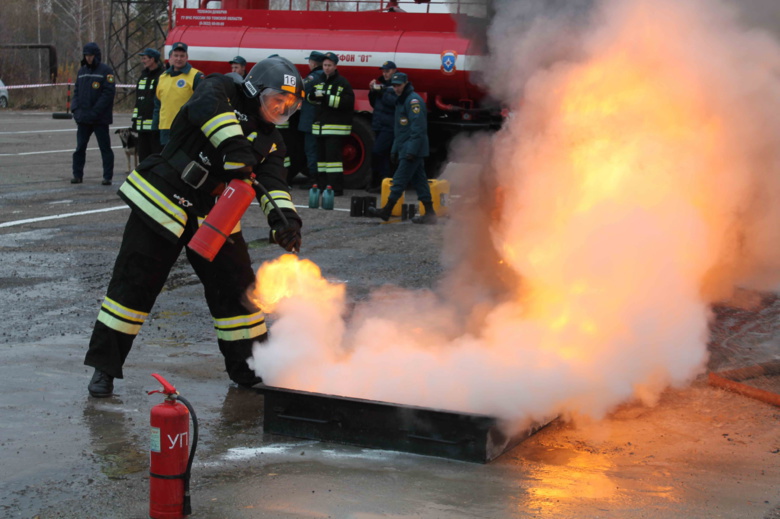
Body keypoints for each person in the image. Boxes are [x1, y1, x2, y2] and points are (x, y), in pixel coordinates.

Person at [84, 56, 305, 397]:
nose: (279, 109)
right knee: (134, 283)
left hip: (216, 213)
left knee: (237, 290)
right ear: (254, 89)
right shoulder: (220, 88)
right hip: (165, 195)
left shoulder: (272, 140)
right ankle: (104, 370)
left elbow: (274, 183)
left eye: (288, 106)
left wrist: (285, 222)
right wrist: (235, 148)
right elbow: (209, 111)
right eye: (275, 100)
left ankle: (249, 369)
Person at [368, 72, 437, 224]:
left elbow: (418, 129)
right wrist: (394, 149)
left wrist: (411, 151)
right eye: (394, 85)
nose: (396, 88)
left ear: (406, 84)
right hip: (406, 147)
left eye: (399, 85)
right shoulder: (401, 100)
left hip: (413, 149)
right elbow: (399, 130)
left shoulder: (413, 101)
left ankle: (386, 210)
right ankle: (430, 213)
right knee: (420, 181)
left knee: (399, 180)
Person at [308, 52, 354, 195]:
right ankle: (323, 186)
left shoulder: (342, 82)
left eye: (329, 65)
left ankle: (336, 188)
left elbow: (348, 102)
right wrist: (312, 96)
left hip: (335, 128)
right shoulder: (320, 80)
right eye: (325, 65)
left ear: (335, 66)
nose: (326, 68)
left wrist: (326, 98)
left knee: (333, 162)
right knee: (321, 161)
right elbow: (312, 100)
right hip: (320, 128)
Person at [70, 42, 115, 185]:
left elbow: (108, 94)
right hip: (83, 119)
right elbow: (76, 92)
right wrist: (75, 109)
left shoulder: (106, 71)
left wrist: (95, 112)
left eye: (90, 55)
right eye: (86, 55)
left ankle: (107, 177)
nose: (88, 58)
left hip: (100, 119)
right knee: (79, 149)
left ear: (96, 55)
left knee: (105, 148)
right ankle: (77, 175)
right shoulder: (82, 71)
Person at [154, 41, 204, 146]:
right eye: (176, 55)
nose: (178, 59)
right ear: (171, 57)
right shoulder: (163, 77)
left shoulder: (196, 76)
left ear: (187, 57)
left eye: (182, 56)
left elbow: (202, 102)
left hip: (185, 127)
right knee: (166, 159)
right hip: (166, 127)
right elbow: (158, 103)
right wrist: (155, 125)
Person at [367, 60, 398, 193]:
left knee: (379, 152)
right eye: (384, 71)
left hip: (389, 125)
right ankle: (381, 182)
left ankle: (384, 181)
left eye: (388, 71)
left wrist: (382, 92)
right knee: (381, 154)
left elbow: (394, 103)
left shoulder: (396, 86)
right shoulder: (383, 85)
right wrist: (372, 91)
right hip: (379, 124)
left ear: (394, 71)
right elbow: (375, 104)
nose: (385, 74)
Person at [297, 51, 326, 188]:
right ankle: (318, 178)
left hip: (310, 120)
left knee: (311, 150)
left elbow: (300, 88)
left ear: (314, 63)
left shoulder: (313, 77)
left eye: (309, 61)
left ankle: (313, 179)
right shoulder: (324, 76)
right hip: (319, 119)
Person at [131, 48, 163, 161]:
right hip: (141, 127)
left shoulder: (162, 76)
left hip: (155, 128)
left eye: (144, 58)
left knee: (156, 158)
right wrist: (135, 120)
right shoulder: (143, 77)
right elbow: (139, 101)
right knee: (143, 158)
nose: (143, 61)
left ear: (152, 59)